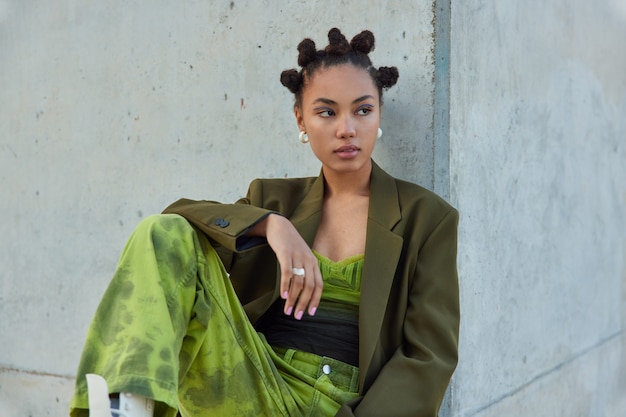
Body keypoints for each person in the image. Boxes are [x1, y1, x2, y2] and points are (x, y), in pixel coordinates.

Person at [70, 28, 459, 417]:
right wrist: (271, 225)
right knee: (161, 234)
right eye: (327, 111)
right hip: (258, 385)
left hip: (347, 407)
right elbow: (180, 218)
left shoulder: (427, 218)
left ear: (378, 115)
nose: (347, 129)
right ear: (301, 120)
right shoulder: (272, 199)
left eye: (362, 110)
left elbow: (429, 356)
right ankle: (129, 404)